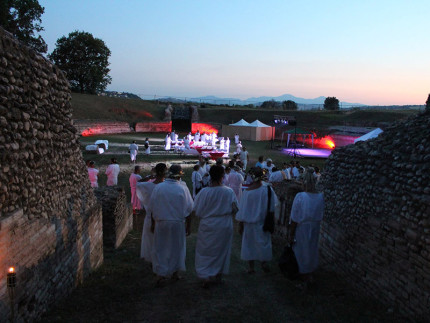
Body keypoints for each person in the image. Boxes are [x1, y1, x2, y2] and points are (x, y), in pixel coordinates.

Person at [193, 165, 238, 287]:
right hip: (224, 224)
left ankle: (206, 275)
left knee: (205, 250)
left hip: (208, 223)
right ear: (223, 176)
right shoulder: (229, 191)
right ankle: (217, 274)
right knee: (221, 250)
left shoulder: (204, 192)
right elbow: (235, 208)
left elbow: (197, 210)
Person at [148, 165, 193, 284]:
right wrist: (188, 225)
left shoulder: (159, 188)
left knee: (160, 247)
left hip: (161, 221)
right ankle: (174, 273)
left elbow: (152, 207)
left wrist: (153, 223)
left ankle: (160, 274)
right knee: (176, 248)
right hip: (177, 223)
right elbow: (189, 209)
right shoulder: (182, 188)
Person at [236, 168, 276, 273]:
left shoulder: (248, 193)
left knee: (249, 245)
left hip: (249, 223)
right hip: (263, 221)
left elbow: (243, 210)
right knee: (263, 243)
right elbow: (272, 208)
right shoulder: (268, 190)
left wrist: (240, 224)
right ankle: (264, 263)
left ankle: (251, 267)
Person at [288, 167, 324, 282]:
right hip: (315, 226)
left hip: (302, 227)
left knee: (301, 250)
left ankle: (303, 273)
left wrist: (291, 233)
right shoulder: (320, 197)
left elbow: (294, 217)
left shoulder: (301, 197)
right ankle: (310, 272)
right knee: (312, 249)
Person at [136, 163, 167, 264]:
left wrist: (149, 177)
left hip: (150, 217)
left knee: (150, 240)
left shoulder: (147, 186)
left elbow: (138, 183)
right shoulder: (168, 187)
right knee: (163, 241)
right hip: (164, 217)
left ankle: (151, 260)